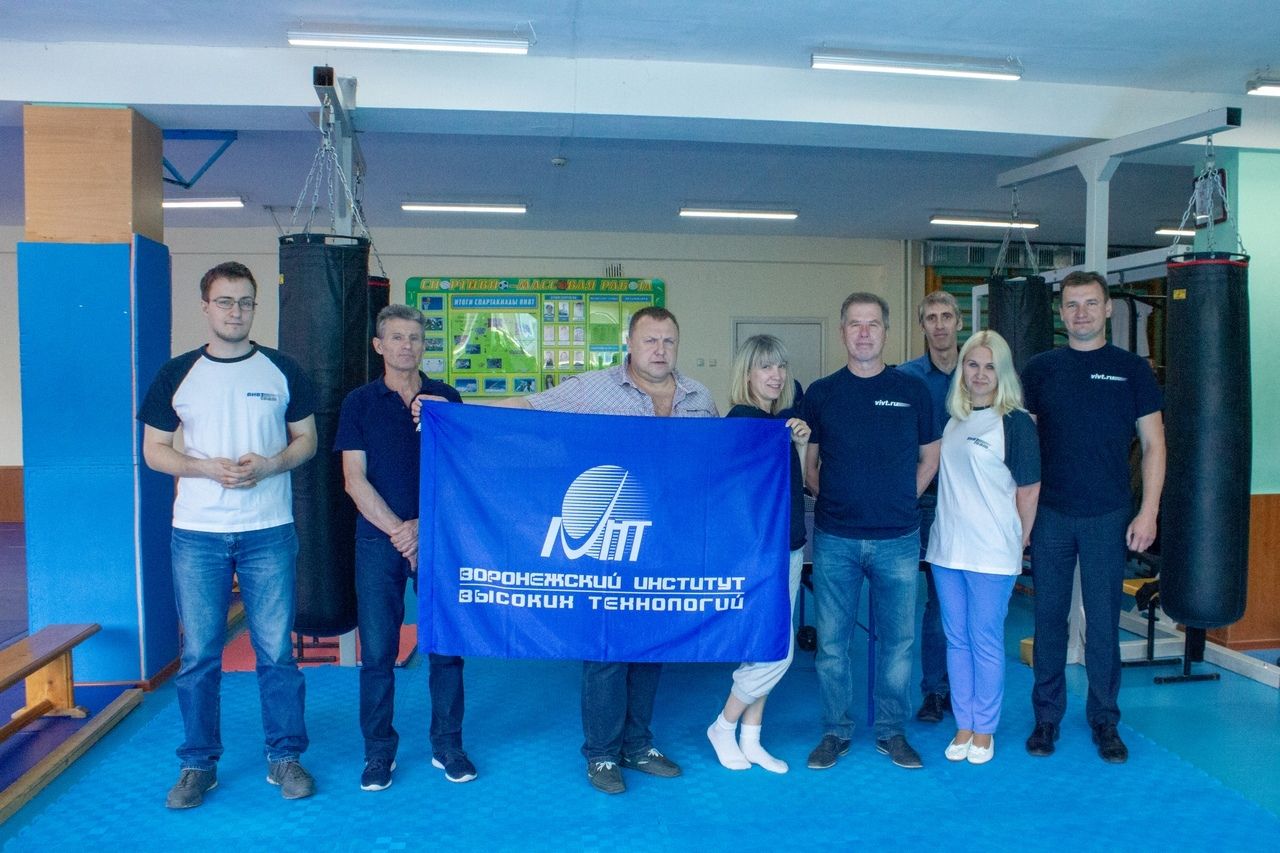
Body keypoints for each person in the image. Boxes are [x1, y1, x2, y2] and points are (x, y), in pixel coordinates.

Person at [420, 306, 717, 795]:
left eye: (668, 341)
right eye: (650, 340)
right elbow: (527, 407)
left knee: (653, 643)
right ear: (630, 343)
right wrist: (451, 411)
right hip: (611, 538)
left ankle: (638, 744)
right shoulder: (595, 389)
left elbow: (720, 457)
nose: (660, 350)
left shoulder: (699, 398)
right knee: (606, 648)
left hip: (667, 540)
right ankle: (601, 754)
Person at [138, 261, 318, 808]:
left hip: (268, 530)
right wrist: (204, 468)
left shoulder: (282, 370)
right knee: (199, 655)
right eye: (225, 302)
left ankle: (285, 757)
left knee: (276, 653)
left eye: (245, 302)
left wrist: (270, 464)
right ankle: (198, 764)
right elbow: (154, 451)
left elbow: (307, 440)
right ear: (206, 307)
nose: (235, 312)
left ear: (254, 307)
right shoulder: (177, 374)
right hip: (198, 534)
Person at [1021, 271, 1165, 764]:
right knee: (1049, 620)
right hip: (1051, 514)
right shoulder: (1041, 369)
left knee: (1103, 624)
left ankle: (1105, 721)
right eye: (1071, 304)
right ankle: (1046, 718)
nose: (1080, 313)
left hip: (1109, 514)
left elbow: (1154, 444)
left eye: (1089, 303)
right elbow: (1024, 447)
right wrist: (1021, 517)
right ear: (1061, 313)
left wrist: (1149, 511)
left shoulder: (1132, 370)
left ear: (1107, 309)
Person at [335, 304, 474, 792]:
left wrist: (421, 527)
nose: (406, 346)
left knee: (446, 646)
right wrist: (401, 531)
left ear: (423, 345)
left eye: (414, 337)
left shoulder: (445, 398)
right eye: (396, 337)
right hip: (378, 541)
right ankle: (378, 753)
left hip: (437, 538)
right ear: (379, 345)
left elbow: (460, 474)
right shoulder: (359, 403)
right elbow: (354, 480)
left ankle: (448, 744)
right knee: (378, 652)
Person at [802, 293, 939, 771]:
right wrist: (835, 501)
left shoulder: (913, 390)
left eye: (873, 324)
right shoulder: (822, 393)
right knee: (832, 645)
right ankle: (835, 731)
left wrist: (901, 497)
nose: (864, 333)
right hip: (835, 538)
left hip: (898, 538)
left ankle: (891, 731)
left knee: (898, 644)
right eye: (855, 324)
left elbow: (931, 457)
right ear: (843, 332)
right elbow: (810, 464)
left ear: (886, 331)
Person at [925, 330, 1040, 765]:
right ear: (962, 370)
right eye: (972, 364)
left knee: (985, 640)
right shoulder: (953, 420)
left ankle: (985, 729)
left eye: (990, 366)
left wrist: (1018, 539)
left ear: (1002, 373)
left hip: (991, 553)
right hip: (947, 550)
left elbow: (1029, 490)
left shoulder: (1015, 422)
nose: (979, 374)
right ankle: (964, 724)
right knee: (956, 640)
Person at [705, 335, 810, 774]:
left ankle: (751, 738)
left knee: (764, 646)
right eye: (766, 367)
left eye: (781, 367)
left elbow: (792, 486)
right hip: (761, 553)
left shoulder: (779, 422)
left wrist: (799, 446)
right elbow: (733, 494)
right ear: (747, 373)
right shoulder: (742, 422)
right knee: (776, 648)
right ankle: (723, 725)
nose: (776, 375)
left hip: (790, 546)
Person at [897, 291, 962, 724]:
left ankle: (955, 689)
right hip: (919, 501)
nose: (939, 325)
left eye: (946, 316)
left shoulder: (979, 373)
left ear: (959, 322)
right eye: (931, 318)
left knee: (950, 602)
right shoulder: (906, 379)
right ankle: (933, 691)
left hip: (967, 505)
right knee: (914, 603)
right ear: (922, 326)